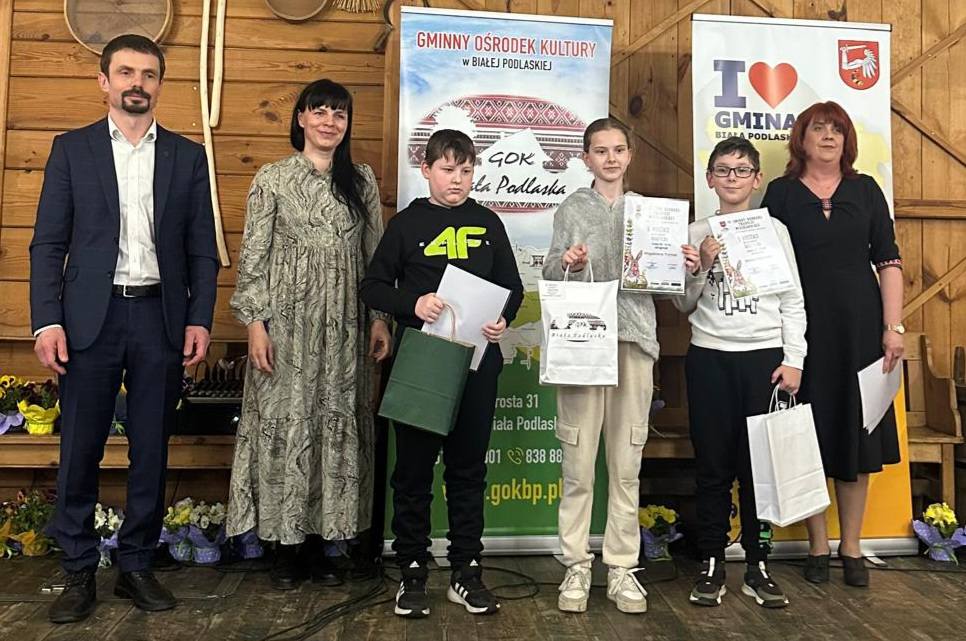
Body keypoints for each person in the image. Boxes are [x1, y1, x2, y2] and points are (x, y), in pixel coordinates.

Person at [29, 34, 218, 623]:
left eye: (148, 74)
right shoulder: (72, 150)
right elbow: (48, 243)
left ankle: (136, 565)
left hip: (160, 318)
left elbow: (202, 251)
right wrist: (47, 321)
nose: (138, 83)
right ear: (104, 81)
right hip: (91, 320)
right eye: (126, 73)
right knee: (80, 448)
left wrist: (199, 318)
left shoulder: (188, 157)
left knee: (151, 449)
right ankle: (78, 570)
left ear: (160, 84)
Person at [226, 79, 392, 591]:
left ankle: (325, 543)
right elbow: (253, 257)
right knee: (288, 424)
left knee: (334, 424)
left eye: (339, 114)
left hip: (345, 331)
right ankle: (285, 547)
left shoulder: (360, 181)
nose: (329, 122)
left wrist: (380, 318)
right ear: (301, 118)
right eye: (319, 111)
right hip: (287, 331)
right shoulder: (273, 178)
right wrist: (255, 323)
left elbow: (376, 258)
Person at [360, 129, 524, 619]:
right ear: (427, 169)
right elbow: (372, 286)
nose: (457, 180)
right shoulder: (406, 224)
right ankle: (411, 571)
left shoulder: (488, 222)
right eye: (448, 170)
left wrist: (503, 319)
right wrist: (413, 303)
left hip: (477, 361)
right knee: (412, 472)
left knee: (468, 471)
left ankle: (466, 572)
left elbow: (512, 287)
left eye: (466, 171)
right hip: (421, 360)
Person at [544, 118, 698, 615]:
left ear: (630, 155)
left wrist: (682, 266)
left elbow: (672, 294)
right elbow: (549, 270)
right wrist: (567, 262)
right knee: (578, 463)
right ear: (585, 158)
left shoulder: (649, 213)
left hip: (634, 342)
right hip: (582, 342)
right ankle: (575, 564)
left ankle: (622, 567)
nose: (610, 158)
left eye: (618, 150)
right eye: (600, 151)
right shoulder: (572, 208)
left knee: (627, 464)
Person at [761, 101, 904, 588]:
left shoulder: (866, 190)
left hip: (861, 329)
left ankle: (852, 546)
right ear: (800, 139)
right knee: (807, 433)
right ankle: (818, 544)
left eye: (836, 130)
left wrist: (893, 327)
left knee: (858, 434)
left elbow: (889, 261)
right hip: (802, 332)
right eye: (818, 128)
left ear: (847, 140)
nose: (828, 136)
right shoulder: (780, 193)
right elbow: (763, 263)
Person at [675, 136, 806, 608]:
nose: (732, 178)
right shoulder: (695, 232)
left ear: (757, 179)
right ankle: (712, 562)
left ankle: (757, 565)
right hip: (709, 356)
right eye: (723, 170)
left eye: (742, 170)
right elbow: (682, 304)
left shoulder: (775, 231)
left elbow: (793, 299)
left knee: (759, 470)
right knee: (712, 466)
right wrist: (702, 267)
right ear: (710, 179)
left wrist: (794, 359)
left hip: (764, 360)